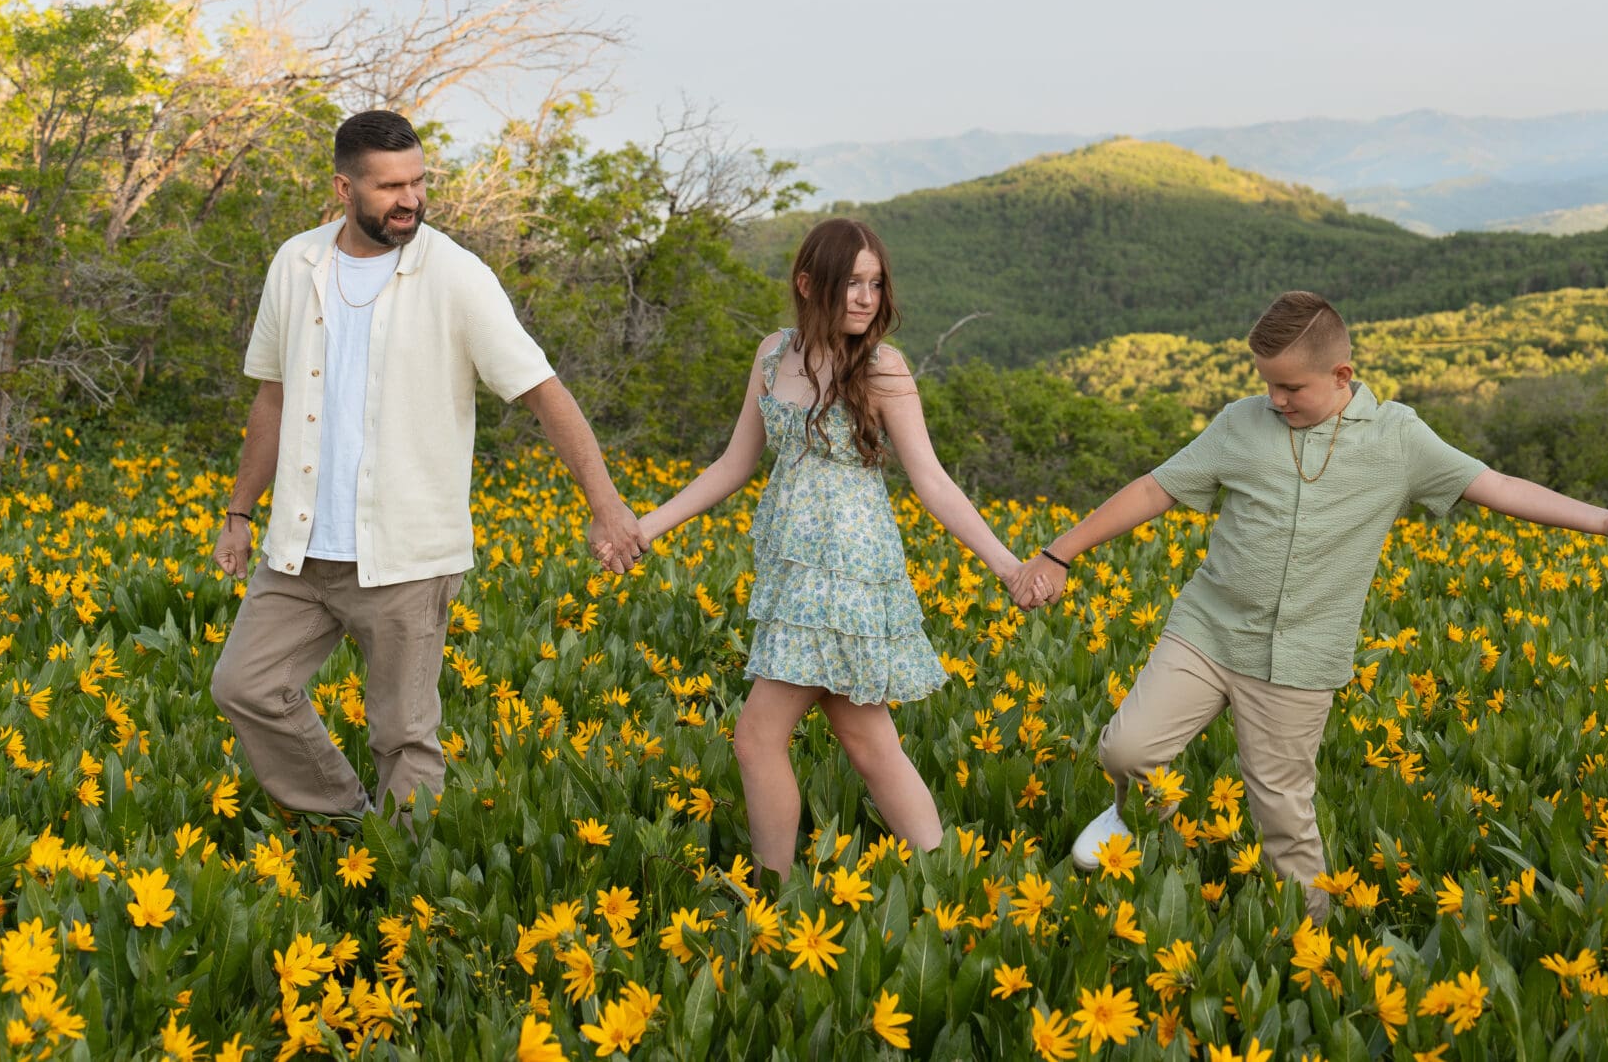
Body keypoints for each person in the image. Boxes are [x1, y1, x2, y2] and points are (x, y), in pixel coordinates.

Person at [1012, 290, 1608, 922]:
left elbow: (1499, 487)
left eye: (1290, 388)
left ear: (1341, 376)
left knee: (1283, 817)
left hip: (1302, 656)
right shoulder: (1239, 423)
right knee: (1126, 752)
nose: (1275, 400)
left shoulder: (1399, 438)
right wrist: (1058, 554)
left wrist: (1606, 520)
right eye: (1267, 385)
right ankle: (1141, 818)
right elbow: (1155, 489)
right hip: (1209, 630)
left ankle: (1313, 948)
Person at [210, 109, 646, 820]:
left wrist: (607, 503)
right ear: (343, 188)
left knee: (404, 738)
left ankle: (408, 893)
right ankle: (348, 823)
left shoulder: (457, 274)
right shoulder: (295, 264)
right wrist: (238, 511)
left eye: (417, 180)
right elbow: (272, 399)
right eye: (388, 186)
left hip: (407, 555)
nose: (409, 197)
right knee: (244, 685)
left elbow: (544, 392)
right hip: (298, 549)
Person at [635, 217, 1022, 873]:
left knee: (758, 738)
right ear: (808, 283)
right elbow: (734, 464)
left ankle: (772, 895)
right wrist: (645, 527)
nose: (866, 298)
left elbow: (931, 479)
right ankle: (946, 884)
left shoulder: (882, 365)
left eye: (875, 283)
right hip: (797, 569)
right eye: (851, 283)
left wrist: (1007, 563)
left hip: (844, 571)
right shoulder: (772, 353)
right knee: (868, 743)